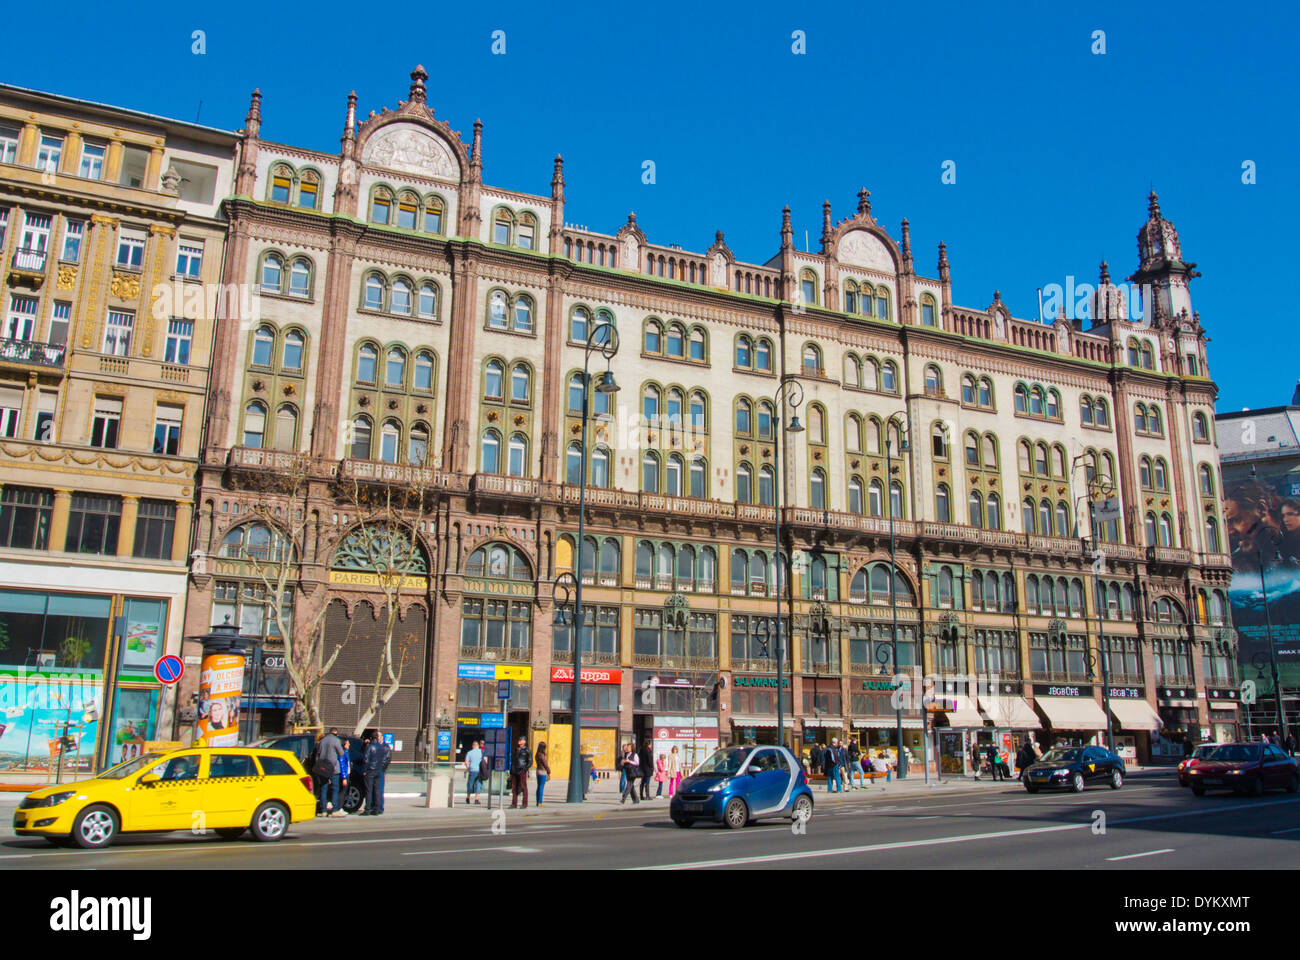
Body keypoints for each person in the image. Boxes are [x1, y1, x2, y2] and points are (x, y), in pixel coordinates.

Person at [314, 727, 345, 816]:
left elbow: (318, 754)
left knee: (323, 788)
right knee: (335, 788)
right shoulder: (336, 740)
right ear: (335, 733)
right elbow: (341, 753)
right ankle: (334, 810)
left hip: (322, 768)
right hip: (333, 768)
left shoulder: (322, 741)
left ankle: (323, 810)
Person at [363, 730, 391, 816]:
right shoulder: (381, 747)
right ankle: (376, 808)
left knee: (370, 790)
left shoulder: (371, 746)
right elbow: (384, 759)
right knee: (377, 790)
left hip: (372, 770)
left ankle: (369, 809)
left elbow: (366, 759)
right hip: (378, 770)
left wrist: (365, 770)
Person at [510, 735, 531, 808]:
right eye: (519, 739)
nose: (519, 741)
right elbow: (512, 759)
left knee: (523, 787)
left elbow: (530, 761)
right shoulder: (515, 749)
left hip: (522, 770)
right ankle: (514, 803)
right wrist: (511, 769)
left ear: (524, 741)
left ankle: (524, 804)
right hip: (515, 769)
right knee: (514, 787)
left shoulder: (527, 750)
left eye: (521, 739)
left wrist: (525, 768)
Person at [333, 738, 351, 817]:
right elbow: (342, 766)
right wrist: (344, 777)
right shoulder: (342, 754)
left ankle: (340, 807)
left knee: (344, 792)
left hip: (347, 774)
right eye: (347, 743)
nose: (349, 745)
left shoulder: (346, 752)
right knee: (342, 792)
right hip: (344, 775)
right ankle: (339, 808)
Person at [465, 740, 484, 805]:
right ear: (478, 746)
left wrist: (468, 767)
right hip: (479, 771)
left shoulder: (469, 752)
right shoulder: (481, 752)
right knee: (478, 784)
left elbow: (466, 762)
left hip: (472, 770)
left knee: (470, 784)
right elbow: (485, 761)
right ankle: (476, 799)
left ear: (473, 746)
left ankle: (468, 797)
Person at [534, 742, 550, 807]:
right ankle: (540, 802)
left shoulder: (537, 755)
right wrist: (549, 771)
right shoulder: (542, 755)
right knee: (541, 787)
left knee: (539, 787)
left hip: (538, 771)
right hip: (543, 772)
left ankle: (538, 801)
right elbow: (545, 764)